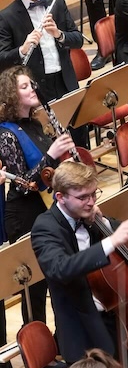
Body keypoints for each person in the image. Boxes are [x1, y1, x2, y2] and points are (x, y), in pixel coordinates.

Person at [31, 161, 128, 363]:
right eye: (82, 197)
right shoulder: (45, 227)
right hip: (84, 331)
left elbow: (121, 238)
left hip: (118, 315)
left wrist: (105, 224)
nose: (91, 202)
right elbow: (60, 268)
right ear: (60, 197)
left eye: (93, 194)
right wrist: (110, 241)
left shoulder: (88, 215)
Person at [0, 66, 79, 325]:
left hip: (47, 207)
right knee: (35, 287)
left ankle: (61, 337)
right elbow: (23, 183)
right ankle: (38, 344)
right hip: (24, 213)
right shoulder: (6, 134)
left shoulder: (34, 123)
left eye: (32, 84)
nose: (33, 88)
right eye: (24, 86)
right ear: (12, 95)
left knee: (58, 277)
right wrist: (52, 153)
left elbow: (47, 171)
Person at [0, 0, 86, 105]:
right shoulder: (7, 17)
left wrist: (59, 35)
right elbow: (2, 59)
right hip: (37, 89)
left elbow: (78, 40)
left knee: (77, 128)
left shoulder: (57, 2)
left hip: (65, 81)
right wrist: (22, 50)